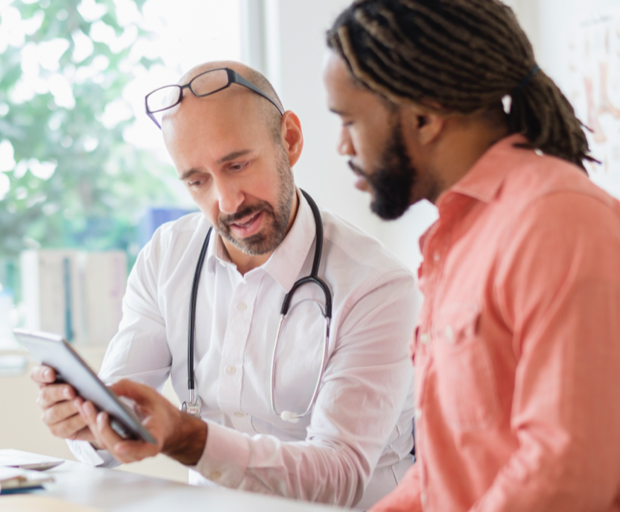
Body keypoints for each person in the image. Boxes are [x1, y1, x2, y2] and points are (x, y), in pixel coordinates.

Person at [31, 61, 421, 510]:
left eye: (237, 165)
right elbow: (118, 415)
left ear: (289, 139)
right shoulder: (167, 257)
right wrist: (86, 421)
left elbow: (339, 478)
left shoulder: (377, 286)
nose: (226, 201)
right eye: (198, 181)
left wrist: (186, 437)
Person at [323, 1, 620, 511]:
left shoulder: (558, 222)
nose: (341, 145)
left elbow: (567, 473)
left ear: (424, 113)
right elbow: (449, 475)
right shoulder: (457, 239)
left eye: (349, 120)